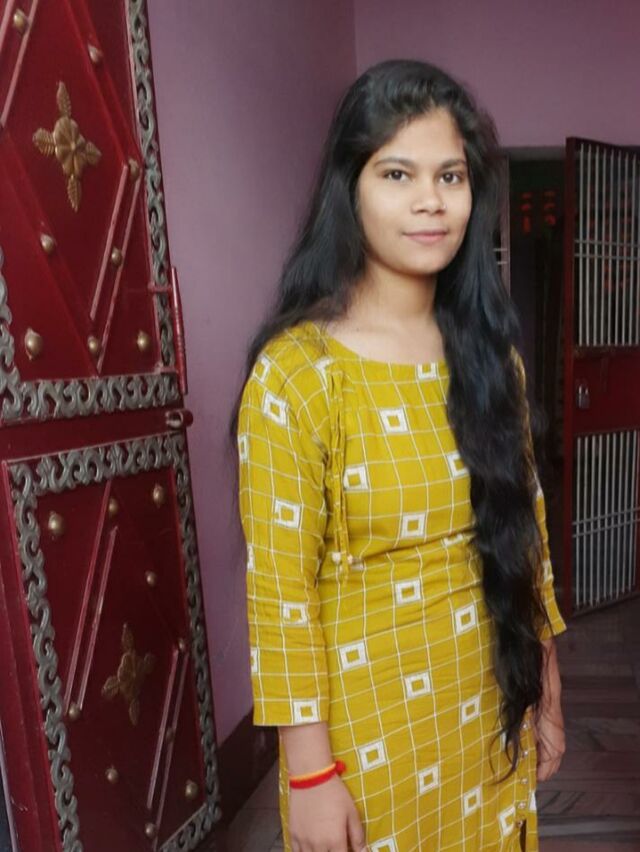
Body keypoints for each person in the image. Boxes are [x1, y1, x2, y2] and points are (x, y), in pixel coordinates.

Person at [229, 59, 567, 852]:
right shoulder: (298, 374)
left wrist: (547, 694)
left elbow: (525, 542)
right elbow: (280, 597)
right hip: (365, 736)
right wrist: (310, 776)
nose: (430, 201)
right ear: (349, 189)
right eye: (397, 174)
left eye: (450, 175)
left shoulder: (491, 360)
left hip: (487, 710)